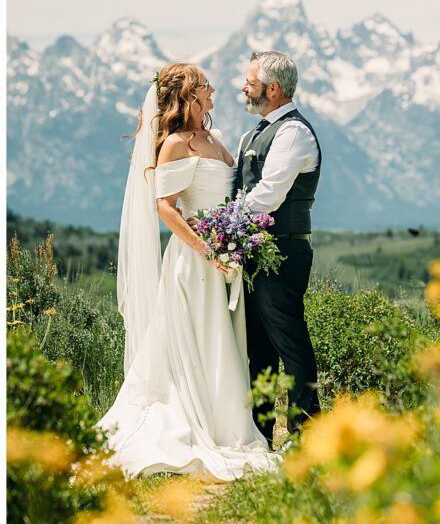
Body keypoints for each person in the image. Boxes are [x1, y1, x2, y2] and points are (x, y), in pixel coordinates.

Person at [99, 62, 278, 480]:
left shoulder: (213, 138)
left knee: (222, 341)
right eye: (206, 85)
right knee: (201, 340)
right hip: (193, 261)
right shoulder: (176, 144)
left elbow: (235, 193)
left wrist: (237, 239)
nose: (213, 90)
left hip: (222, 257)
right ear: (189, 95)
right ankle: (198, 425)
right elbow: (165, 207)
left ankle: (226, 422)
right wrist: (207, 249)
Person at [234, 51, 322, 442]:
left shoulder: (294, 133)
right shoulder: (251, 135)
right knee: (259, 349)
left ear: (272, 88)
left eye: (250, 82)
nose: (244, 87)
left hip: (283, 251)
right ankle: (262, 433)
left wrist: (225, 224)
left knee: (290, 344)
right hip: (253, 254)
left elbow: (268, 194)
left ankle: (307, 431)